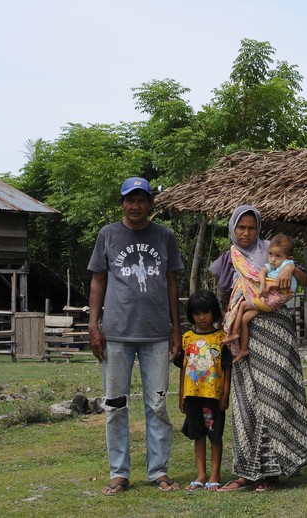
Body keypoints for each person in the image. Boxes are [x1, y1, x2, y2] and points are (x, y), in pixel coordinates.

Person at [88, 176, 183, 495]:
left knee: (157, 406)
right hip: (116, 334)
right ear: (122, 204)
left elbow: (171, 283)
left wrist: (177, 328)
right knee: (115, 405)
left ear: (151, 204)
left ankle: (158, 470)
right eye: (130, 200)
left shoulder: (164, 236)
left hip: (157, 334)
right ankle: (119, 473)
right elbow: (98, 282)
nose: (136, 206)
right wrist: (93, 325)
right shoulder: (108, 235)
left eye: (142, 200)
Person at [209, 205, 307, 493]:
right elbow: (223, 295)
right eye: (241, 227)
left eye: (251, 227)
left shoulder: (274, 250)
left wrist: (292, 266)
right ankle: (245, 472)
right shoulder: (228, 259)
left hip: (276, 333)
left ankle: (273, 472)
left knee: (274, 397)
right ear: (233, 228)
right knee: (246, 404)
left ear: (258, 229)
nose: (246, 233)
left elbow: (303, 282)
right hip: (243, 334)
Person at [179, 289, 232, 492]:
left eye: (206, 313)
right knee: (198, 435)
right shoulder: (187, 338)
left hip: (214, 396)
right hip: (192, 395)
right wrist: (182, 394)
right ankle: (201, 475)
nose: (202, 318)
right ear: (191, 314)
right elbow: (183, 367)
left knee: (215, 435)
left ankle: (214, 475)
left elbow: (227, 368)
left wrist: (225, 394)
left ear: (214, 313)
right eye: (197, 313)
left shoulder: (222, 338)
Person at [223, 232, 298, 363]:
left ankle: (234, 332)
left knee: (243, 305)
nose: (273, 259)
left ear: (288, 258)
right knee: (245, 319)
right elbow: (262, 271)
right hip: (267, 301)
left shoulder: (287, 265)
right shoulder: (272, 264)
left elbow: (286, 285)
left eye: (278, 256)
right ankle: (244, 349)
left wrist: (270, 286)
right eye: (270, 255)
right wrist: (263, 284)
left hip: (275, 300)